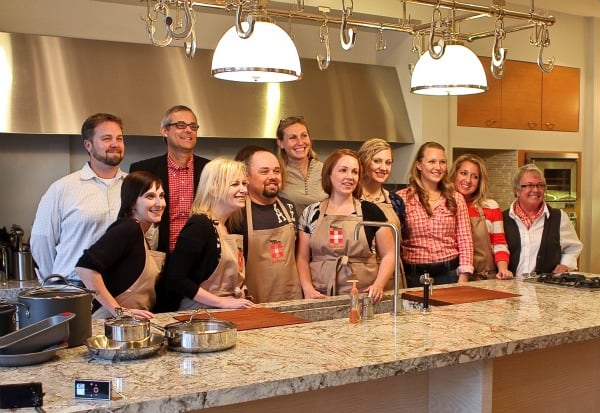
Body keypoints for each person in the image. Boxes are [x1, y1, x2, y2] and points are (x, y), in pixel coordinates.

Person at [31, 113, 127, 285]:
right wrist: (56, 283)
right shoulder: (62, 188)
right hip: (74, 287)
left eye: (119, 138)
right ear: (88, 145)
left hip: (121, 289)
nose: (115, 144)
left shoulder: (134, 187)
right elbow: (41, 241)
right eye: (106, 138)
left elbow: (148, 239)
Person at [296, 149, 395, 303]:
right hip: (321, 296)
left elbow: (389, 254)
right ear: (329, 174)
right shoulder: (311, 213)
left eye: (355, 172)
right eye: (343, 170)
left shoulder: (371, 211)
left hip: (363, 296)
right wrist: (308, 289)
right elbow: (302, 258)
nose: (350, 177)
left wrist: (378, 284)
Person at [163, 158, 254, 310]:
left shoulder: (231, 227)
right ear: (213, 189)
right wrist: (221, 302)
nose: (244, 190)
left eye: (244, 184)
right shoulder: (200, 225)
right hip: (199, 315)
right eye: (235, 184)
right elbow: (175, 279)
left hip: (224, 312)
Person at [75, 171, 167, 319]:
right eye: (150, 196)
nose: (159, 203)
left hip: (127, 325)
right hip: (108, 323)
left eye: (161, 196)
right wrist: (118, 310)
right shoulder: (129, 228)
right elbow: (84, 268)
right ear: (132, 202)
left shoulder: (139, 232)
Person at [129, 105, 210, 253]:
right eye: (181, 125)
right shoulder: (143, 170)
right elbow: (132, 216)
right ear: (164, 131)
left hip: (201, 257)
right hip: (158, 256)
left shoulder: (210, 169)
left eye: (193, 126)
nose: (188, 130)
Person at [398, 142, 473, 287]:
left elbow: (465, 240)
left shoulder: (456, 198)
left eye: (442, 162)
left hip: (449, 273)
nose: (438, 167)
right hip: (413, 275)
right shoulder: (402, 198)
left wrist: (463, 277)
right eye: (432, 162)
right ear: (419, 165)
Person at [234, 146, 302, 303]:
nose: (273, 176)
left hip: (292, 299)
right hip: (253, 302)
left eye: (276, 171)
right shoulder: (238, 213)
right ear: (247, 177)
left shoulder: (289, 207)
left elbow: (299, 255)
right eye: (264, 172)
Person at [503, 163, 582, 275]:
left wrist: (565, 265)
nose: (536, 190)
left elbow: (573, 248)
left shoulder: (558, 217)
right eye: (529, 185)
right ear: (517, 190)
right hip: (508, 288)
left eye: (540, 185)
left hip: (545, 288)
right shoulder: (502, 219)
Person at [450, 154, 513, 280]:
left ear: (480, 181)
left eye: (475, 177)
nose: (468, 180)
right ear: (454, 174)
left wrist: (503, 269)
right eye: (463, 173)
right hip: (454, 278)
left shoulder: (491, 206)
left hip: (485, 278)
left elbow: (499, 243)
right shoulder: (444, 206)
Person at [357, 138, 407, 288]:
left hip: (392, 275)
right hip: (361, 274)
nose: (383, 167)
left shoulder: (396, 201)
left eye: (388, 162)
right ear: (364, 162)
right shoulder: (351, 198)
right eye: (377, 161)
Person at [276, 116, 327, 215]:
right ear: (281, 143)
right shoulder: (276, 173)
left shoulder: (325, 169)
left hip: (323, 229)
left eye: (304, 135)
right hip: (289, 230)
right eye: (293, 137)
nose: (300, 142)